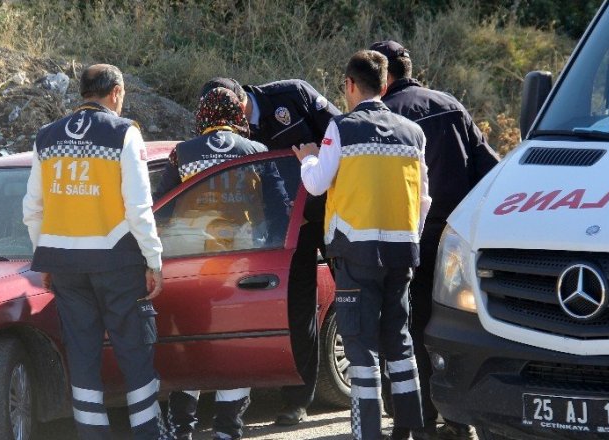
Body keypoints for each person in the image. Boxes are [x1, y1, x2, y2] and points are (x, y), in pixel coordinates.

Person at [22, 64, 165, 440]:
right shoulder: (124, 134)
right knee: (134, 352)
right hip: (117, 262)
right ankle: (147, 433)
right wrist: (154, 259)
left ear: (83, 93)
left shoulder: (47, 137)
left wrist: (46, 255)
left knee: (82, 357)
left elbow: (32, 209)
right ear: (116, 93)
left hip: (66, 267)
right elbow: (138, 207)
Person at [292, 49, 430, 440]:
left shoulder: (341, 128)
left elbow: (317, 183)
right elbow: (423, 199)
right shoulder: (413, 133)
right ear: (385, 86)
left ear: (350, 85)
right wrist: (409, 239)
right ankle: (408, 429)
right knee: (399, 342)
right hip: (402, 252)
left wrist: (308, 159)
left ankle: (367, 431)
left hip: (356, 253)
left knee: (361, 346)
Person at [370, 39, 499, 440]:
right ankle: (459, 420)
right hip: (454, 243)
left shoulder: (380, 117)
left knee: (405, 329)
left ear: (384, 76)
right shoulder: (450, 105)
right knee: (456, 328)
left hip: (403, 240)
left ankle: (419, 421)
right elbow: (490, 170)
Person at [200, 76, 341, 426]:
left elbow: (343, 135)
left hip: (336, 212)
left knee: (358, 297)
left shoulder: (292, 95)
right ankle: (297, 400)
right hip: (289, 232)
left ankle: (387, 389)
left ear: (240, 100)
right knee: (298, 311)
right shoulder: (234, 135)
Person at [161, 86, 281, 440]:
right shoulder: (258, 152)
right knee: (235, 344)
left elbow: (162, 207)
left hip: (190, 264)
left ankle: (183, 428)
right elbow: (279, 211)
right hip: (241, 266)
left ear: (203, 114)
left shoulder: (182, 154)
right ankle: (228, 428)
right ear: (238, 115)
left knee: (190, 341)